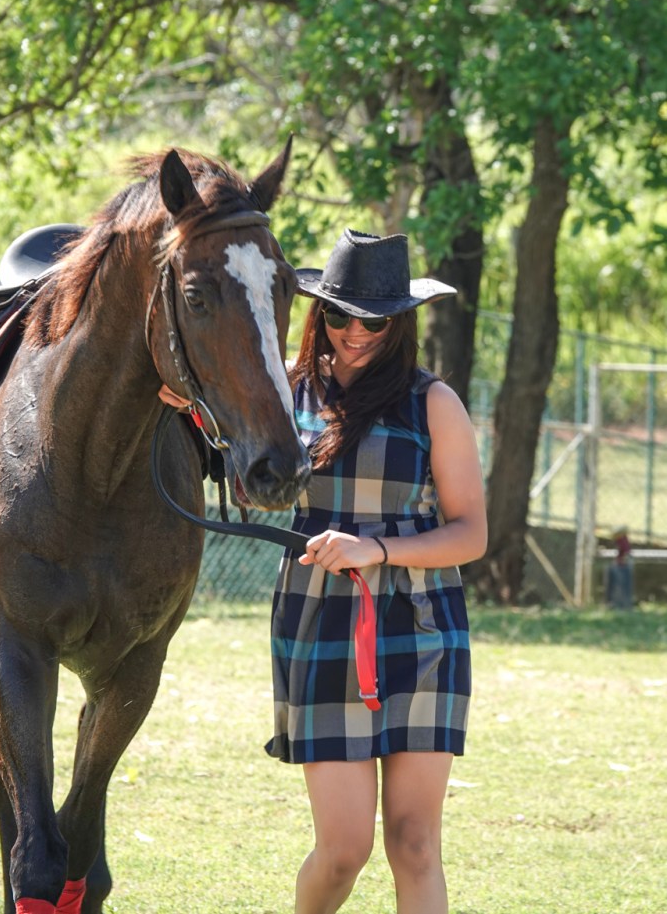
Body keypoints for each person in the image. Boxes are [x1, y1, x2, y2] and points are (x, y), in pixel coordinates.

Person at [265, 229, 488, 914]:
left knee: (414, 844)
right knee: (343, 850)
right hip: (320, 622)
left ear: (401, 322)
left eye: (375, 321)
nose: (355, 332)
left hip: (422, 628)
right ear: (320, 312)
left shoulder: (433, 402)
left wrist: (378, 549)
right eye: (340, 315)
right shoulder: (284, 390)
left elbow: (471, 533)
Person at [606, 525, 634, 609]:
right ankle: (618, 604)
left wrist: (622, 561)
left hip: (622, 566)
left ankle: (621, 604)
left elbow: (626, 553)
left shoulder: (622, 541)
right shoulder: (620, 541)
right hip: (620, 564)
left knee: (621, 586)